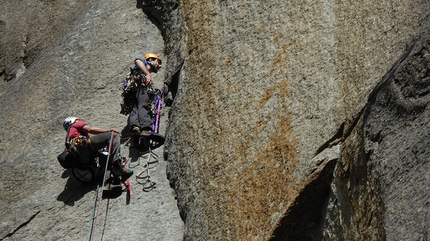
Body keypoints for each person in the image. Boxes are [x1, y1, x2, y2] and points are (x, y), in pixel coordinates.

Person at [62, 116, 133, 180]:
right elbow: (90, 129)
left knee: (103, 153)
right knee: (113, 135)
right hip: (83, 145)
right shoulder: (75, 124)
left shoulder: (68, 138)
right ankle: (117, 166)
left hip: (82, 158)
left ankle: (110, 179)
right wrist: (109, 130)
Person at [127, 53, 162, 136]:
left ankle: (135, 126)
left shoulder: (142, 71)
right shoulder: (144, 64)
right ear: (150, 60)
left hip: (131, 90)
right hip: (140, 86)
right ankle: (145, 128)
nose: (159, 66)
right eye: (158, 62)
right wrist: (148, 74)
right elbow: (138, 61)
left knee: (134, 108)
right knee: (143, 105)